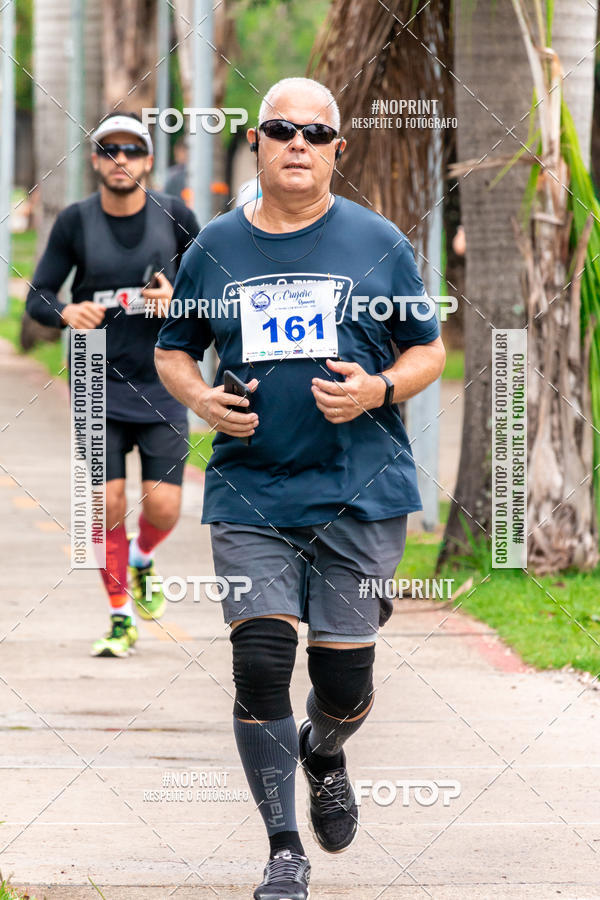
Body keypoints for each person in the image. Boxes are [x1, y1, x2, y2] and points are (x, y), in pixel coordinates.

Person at [154, 77, 445, 900]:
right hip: (253, 492)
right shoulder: (213, 246)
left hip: (360, 487)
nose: (297, 145)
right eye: (281, 129)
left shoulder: (378, 241)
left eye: (315, 134)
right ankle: (285, 850)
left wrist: (379, 390)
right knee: (259, 660)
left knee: (344, 684)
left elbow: (427, 348)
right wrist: (200, 399)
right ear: (256, 140)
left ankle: (324, 750)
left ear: (336, 151)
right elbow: (175, 349)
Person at [26, 112, 200, 658]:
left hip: (165, 377)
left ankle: (144, 557)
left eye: (131, 150)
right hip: (95, 379)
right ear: (96, 160)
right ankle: (121, 616)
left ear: (148, 160)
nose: (120, 160)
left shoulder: (175, 216)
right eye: (109, 150)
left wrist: (181, 302)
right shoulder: (76, 222)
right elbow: (38, 296)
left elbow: (214, 294)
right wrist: (65, 311)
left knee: (164, 507)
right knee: (105, 504)